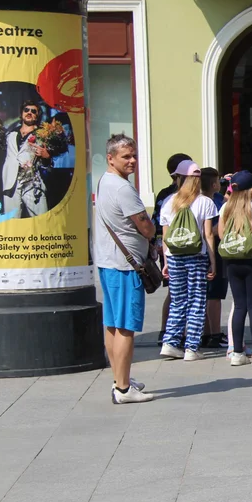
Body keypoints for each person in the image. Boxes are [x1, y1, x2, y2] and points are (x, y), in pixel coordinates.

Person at [94, 133, 156, 404]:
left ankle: (121, 379)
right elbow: (146, 226)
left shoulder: (105, 181)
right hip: (126, 266)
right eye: (125, 157)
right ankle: (122, 388)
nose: (132, 161)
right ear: (111, 158)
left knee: (112, 324)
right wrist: (152, 232)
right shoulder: (123, 188)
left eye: (134, 156)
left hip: (108, 262)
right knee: (126, 327)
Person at [160, 161, 219, 361]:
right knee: (196, 301)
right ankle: (191, 347)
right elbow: (208, 234)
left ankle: (170, 342)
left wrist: (166, 261)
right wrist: (213, 261)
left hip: (174, 257)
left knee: (177, 300)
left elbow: (165, 236)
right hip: (196, 256)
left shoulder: (169, 202)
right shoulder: (205, 202)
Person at [219, 170, 252, 366]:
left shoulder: (226, 208)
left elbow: (222, 234)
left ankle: (237, 353)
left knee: (239, 305)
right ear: (251, 190)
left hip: (232, 261)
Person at [155, 153, 192, 341]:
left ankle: (166, 330)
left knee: (175, 292)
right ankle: (179, 332)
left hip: (167, 247)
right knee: (188, 293)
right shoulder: (185, 196)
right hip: (185, 247)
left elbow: (157, 223)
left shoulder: (163, 194)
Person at [1, 100, 51, 217]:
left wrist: (46, 156)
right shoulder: (11, 133)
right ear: (21, 113)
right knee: (12, 220)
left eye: (33, 111)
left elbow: (49, 163)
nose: (29, 113)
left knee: (41, 219)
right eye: (26, 110)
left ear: (37, 115)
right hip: (10, 183)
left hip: (32, 181)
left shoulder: (43, 135)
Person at [201, 167, 229, 349]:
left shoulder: (193, 200)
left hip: (199, 252)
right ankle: (214, 333)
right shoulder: (211, 202)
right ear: (213, 184)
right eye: (219, 180)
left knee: (203, 294)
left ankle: (203, 333)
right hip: (213, 251)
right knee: (213, 294)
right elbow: (210, 230)